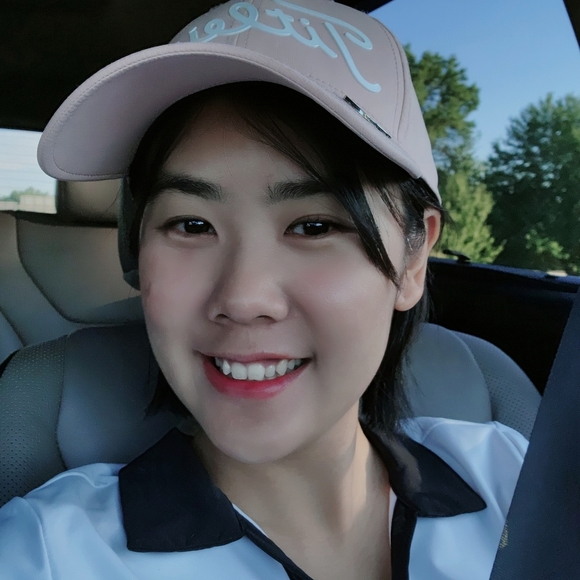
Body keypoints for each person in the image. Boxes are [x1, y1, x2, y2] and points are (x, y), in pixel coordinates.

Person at [0, 0, 527, 578]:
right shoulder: (47, 552)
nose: (244, 299)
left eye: (314, 226)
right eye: (191, 224)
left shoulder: (518, 477)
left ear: (412, 260)